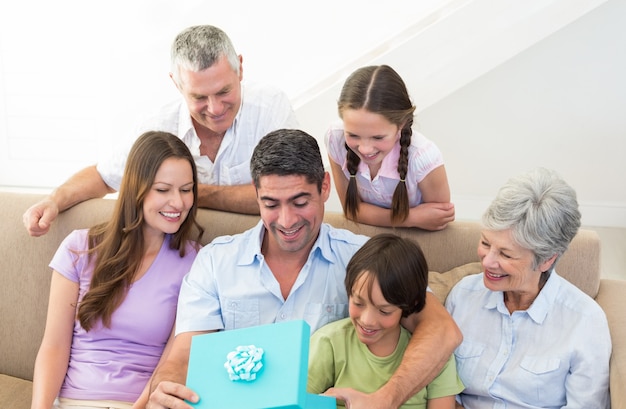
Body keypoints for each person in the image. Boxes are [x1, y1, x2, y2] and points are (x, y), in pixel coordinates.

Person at [146, 129, 462, 409]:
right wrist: (166, 392)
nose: (286, 221)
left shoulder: (362, 258)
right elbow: (184, 356)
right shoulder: (215, 262)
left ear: (324, 186)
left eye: (300, 202)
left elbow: (441, 329)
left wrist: (386, 399)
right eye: (271, 204)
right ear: (256, 195)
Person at [23, 24, 298, 237]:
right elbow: (103, 176)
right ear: (177, 85)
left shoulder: (270, 107)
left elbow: (287, 192)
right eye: (199, 97)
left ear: (240, 69)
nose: (214, 108)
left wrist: (193, 192)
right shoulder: (158, 125)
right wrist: (53, 201)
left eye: (224, 91)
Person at [31, 131, 204, 409]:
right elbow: (54, 346)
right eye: (163, 190)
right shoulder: (79, 248)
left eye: (186, 189)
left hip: (143, 403)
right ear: (136, 189)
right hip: (76, 400)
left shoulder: (196, 261)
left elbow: (174, 359)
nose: (178, 202)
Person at [445, 168, 611, 408]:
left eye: (506, 254)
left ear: (546, 260)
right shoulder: (463, 296)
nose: (487, 261)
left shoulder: (585, 322)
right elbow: (442, 386)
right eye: (485, 243)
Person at [308, 233, 464, 409]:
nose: (367, 320)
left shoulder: (435, 357)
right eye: (358, 303)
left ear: (408, 305)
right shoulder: (329, 343)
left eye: (384, 311)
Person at [326, 64, 454, 230]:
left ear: (400, 124)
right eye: (354, 135)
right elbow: (351, 210)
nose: (365, 149)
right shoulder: (335, 138)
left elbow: (437, 221)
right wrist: (411, 218)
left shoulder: (423, 157)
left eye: (378, 137)